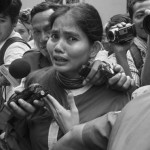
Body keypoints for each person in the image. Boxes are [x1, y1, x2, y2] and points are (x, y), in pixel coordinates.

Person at [7, 3, 133, 150]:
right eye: (54, 36)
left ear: (94, 49)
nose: (58, 47)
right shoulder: (35, 81)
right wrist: (17, 117)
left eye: (72, 38)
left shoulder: (115, 97)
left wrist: (76, 134)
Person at [22, 2, 60, 72]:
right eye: (37, 32)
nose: (42, 39)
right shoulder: (30, 61)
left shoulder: (80, 61)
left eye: (49, 29)